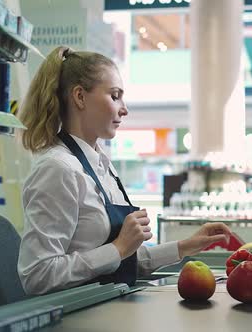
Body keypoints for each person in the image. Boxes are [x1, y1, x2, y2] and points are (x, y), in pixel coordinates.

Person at [17, 46, 232, 295]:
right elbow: (37, 276)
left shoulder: (103, 167)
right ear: (80, 97)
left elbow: (126, 262)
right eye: (115, 95)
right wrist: (118, 248)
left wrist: (186, 246)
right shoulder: (58, 169)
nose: (124, 109)